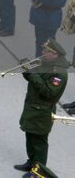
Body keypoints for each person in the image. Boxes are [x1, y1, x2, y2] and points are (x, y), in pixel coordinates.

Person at [16, 39, 69, 173]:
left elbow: (49, 92)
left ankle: (39, 169)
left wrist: (33, 75)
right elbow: (32, 79)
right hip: (33, 106)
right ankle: (31, 161)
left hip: (43, 110)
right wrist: (27, 70)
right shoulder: (45, 64)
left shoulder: (59, 73)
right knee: (30, 136)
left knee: (39, 141)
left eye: (46, 51)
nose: (42, 52)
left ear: (55, 54)